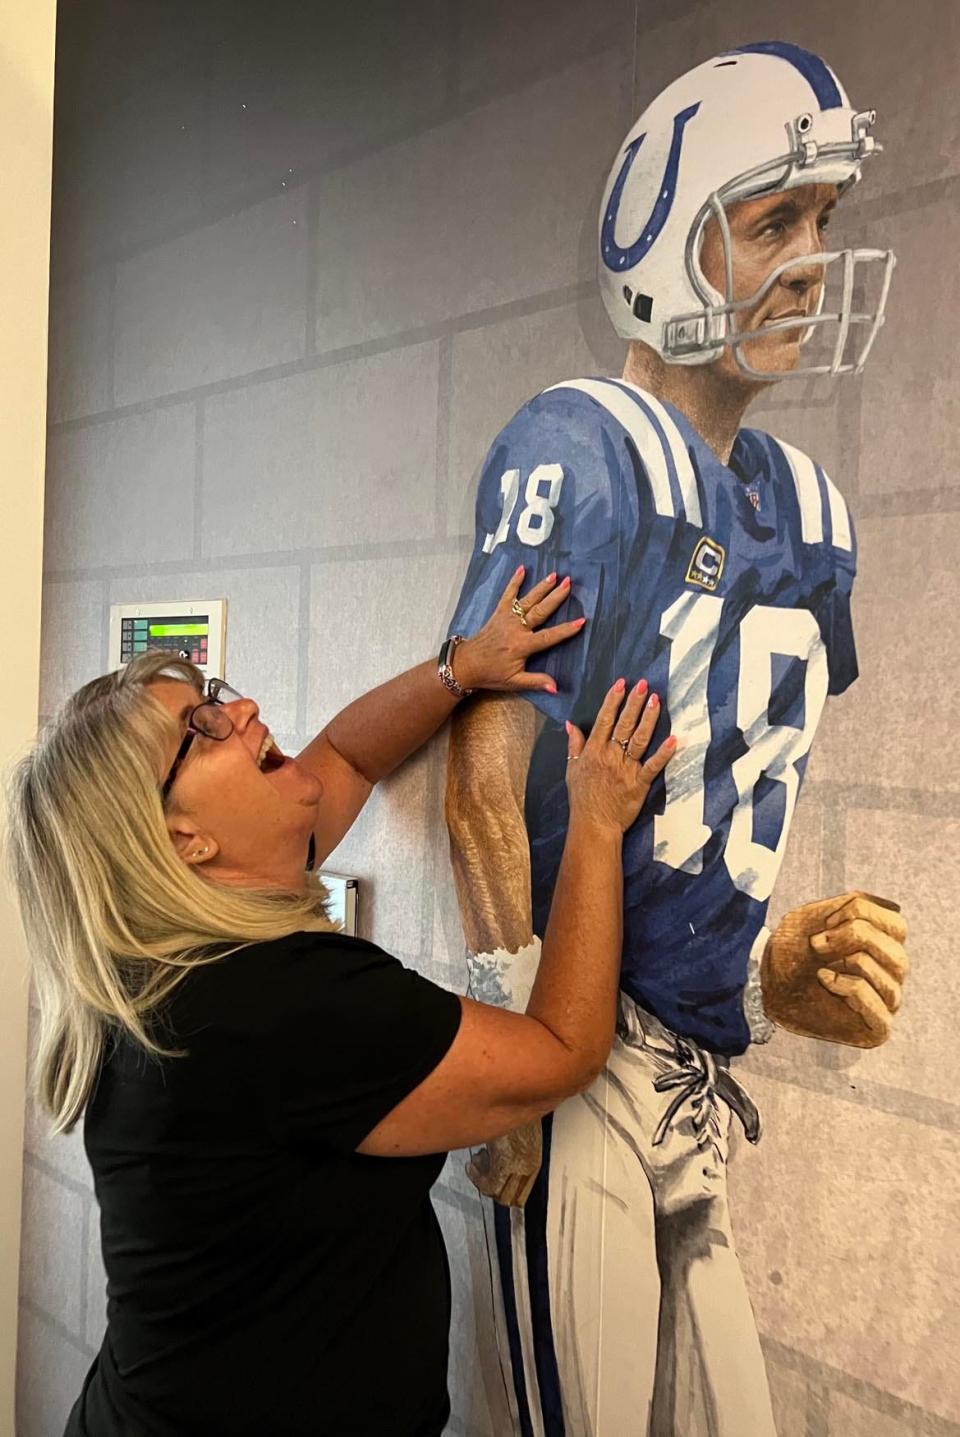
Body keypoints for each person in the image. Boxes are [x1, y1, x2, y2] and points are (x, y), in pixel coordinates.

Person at [445, 41, 909, 1437]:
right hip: (571, 1052)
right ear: (664, 242)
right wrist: (508, 1042)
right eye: (774, 221)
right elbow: (483, 778)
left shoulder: (808, 513)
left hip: (696, 1073)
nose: (815, 261)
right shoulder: (581, 450)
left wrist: (765, 978)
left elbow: (702, 817)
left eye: (822, 222)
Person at [6, 571, 675, 1437]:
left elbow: (348, 756)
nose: (239, 710)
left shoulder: (157, 949)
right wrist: (596, 818)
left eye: (212, 693)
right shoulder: (272, 1003)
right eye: (199, 729)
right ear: (184, 839)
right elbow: (560, 1049)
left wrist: (463, 666)